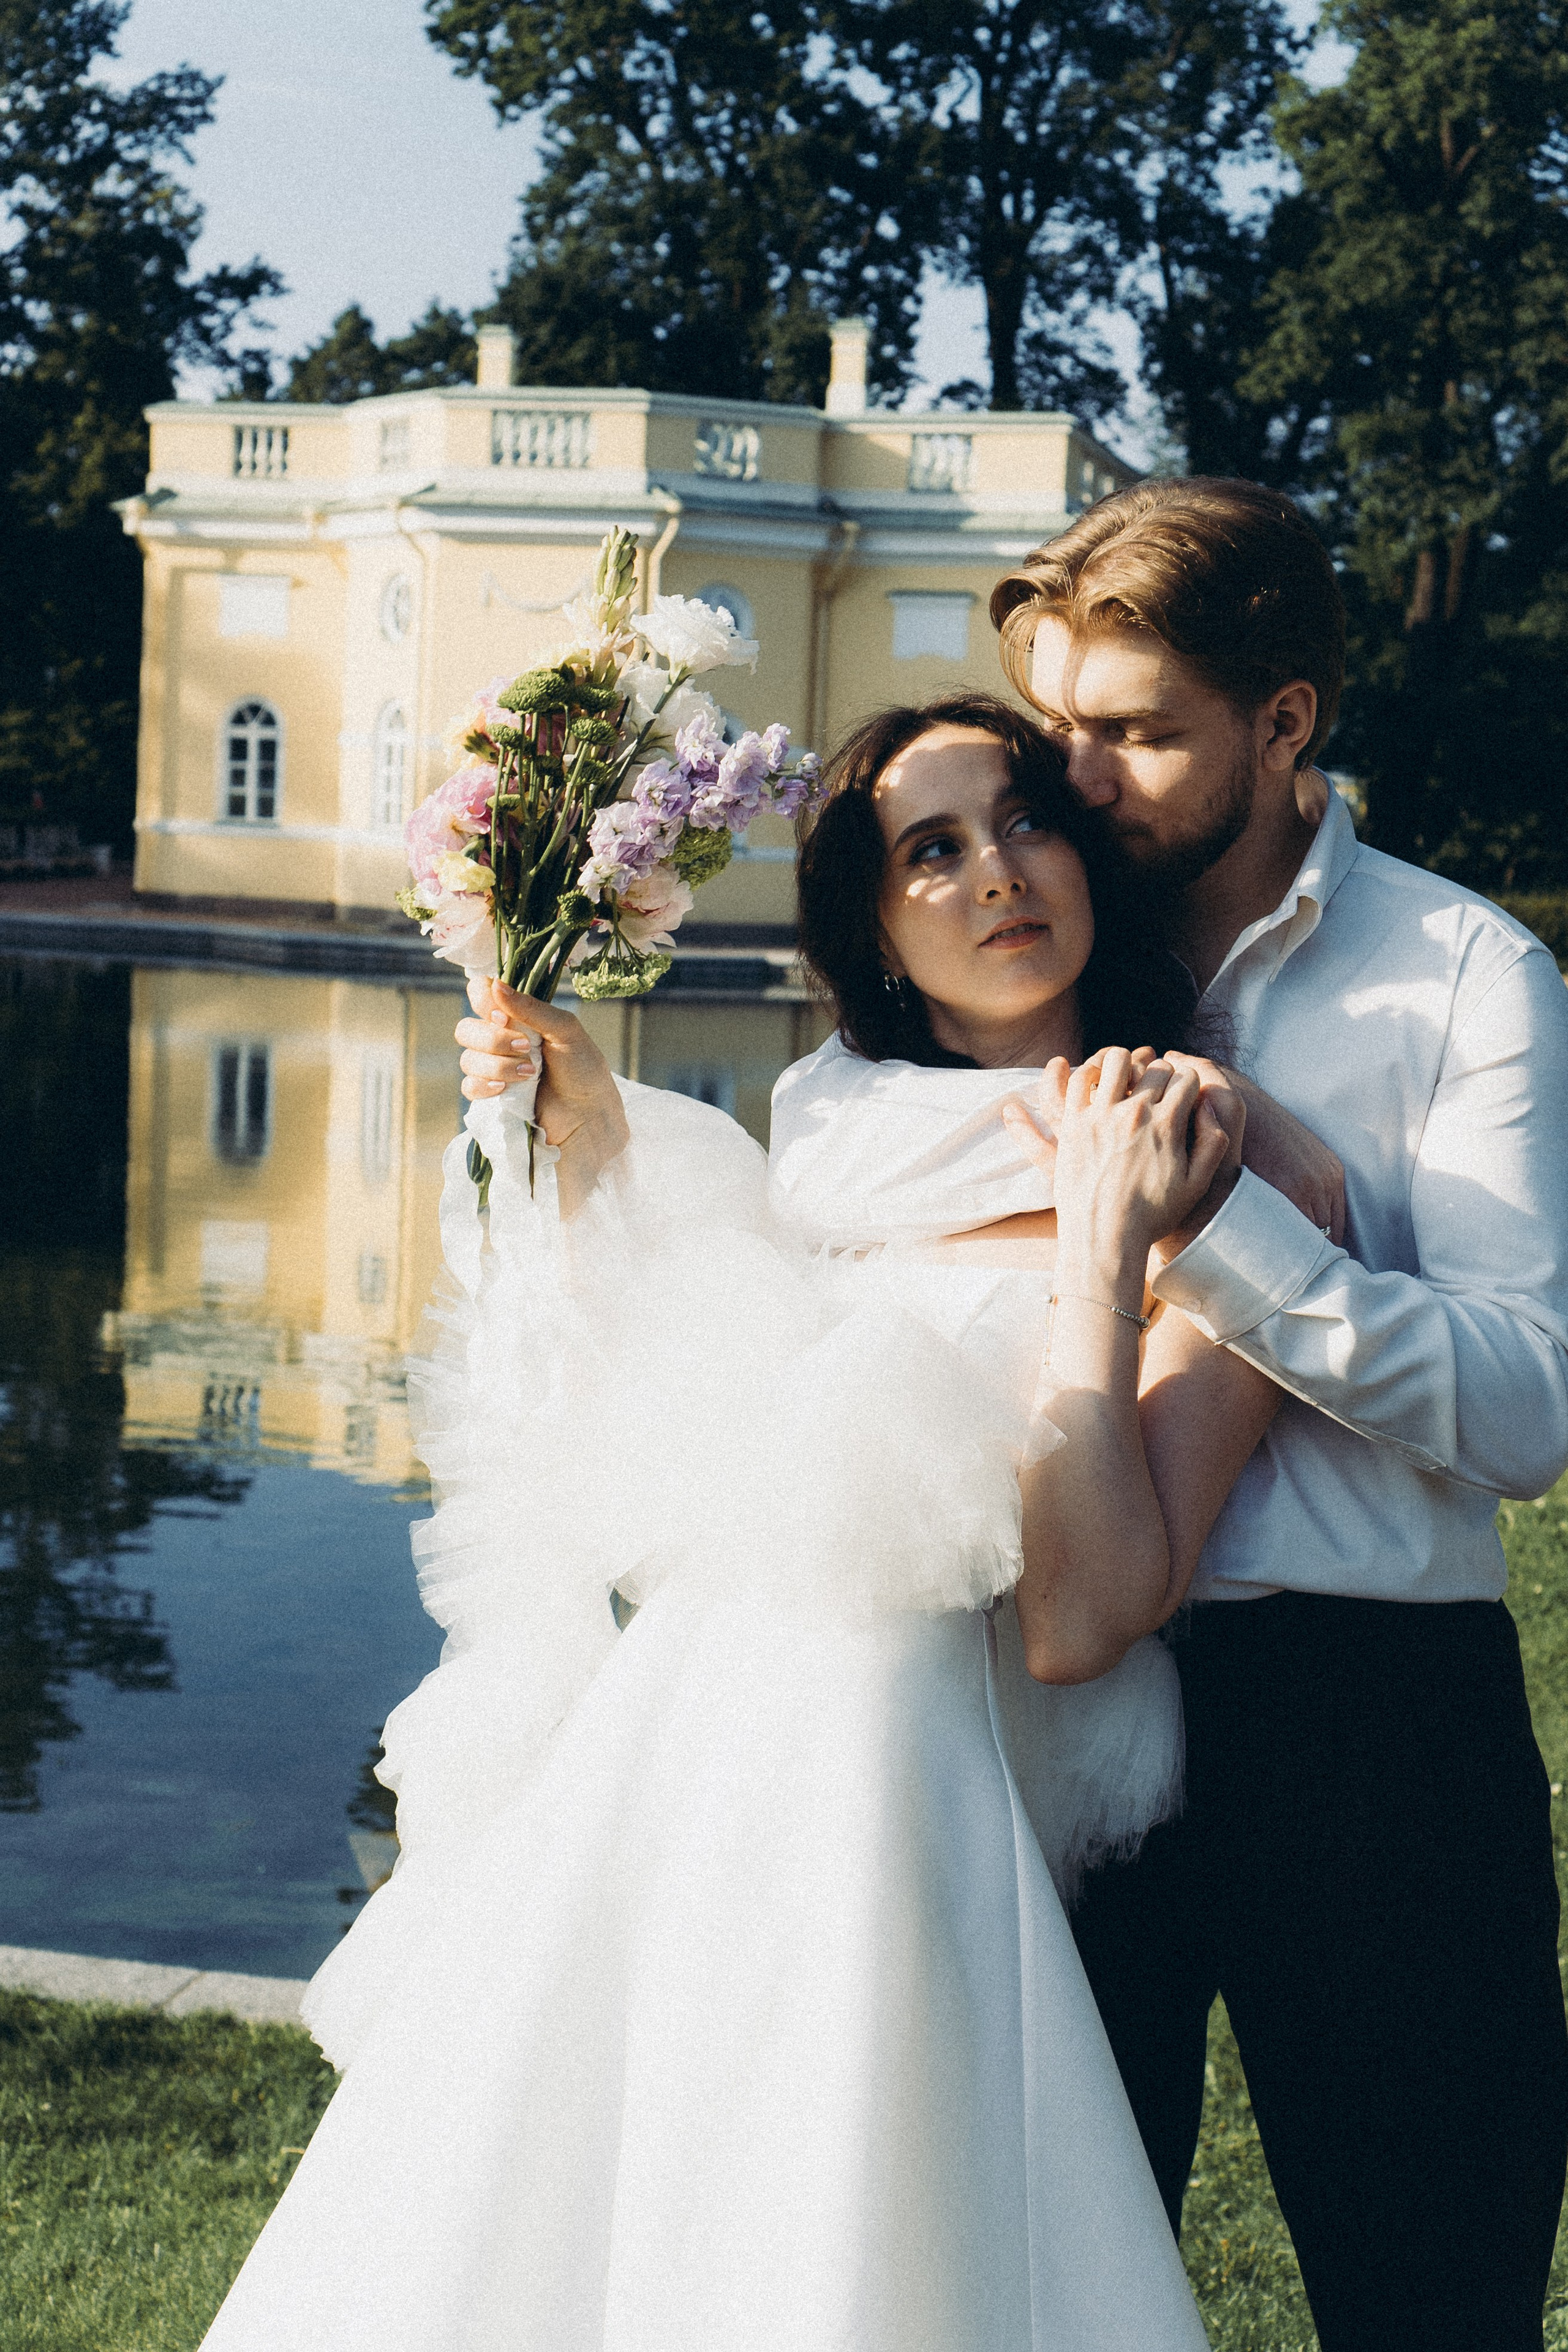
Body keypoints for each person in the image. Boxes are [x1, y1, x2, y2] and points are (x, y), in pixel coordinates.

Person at [195, 695, 1286, 2351]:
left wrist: (1102, 1250)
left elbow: (1085, 1617)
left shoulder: (1202, 1154)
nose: (998, 873)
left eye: (1026, 821)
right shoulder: (825, 1152)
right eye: (933, 852)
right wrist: (588, 1135)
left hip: (916, 1789)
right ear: (876, 934)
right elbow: (675, 1439)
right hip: (697, 1754)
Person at [992, 477, 1568, 2352]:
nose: (1077, 782)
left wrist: (1222, 1227)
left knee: (1431, 2304)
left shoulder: (1470, 975)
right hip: (1065, 1717)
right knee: (1042, 2301)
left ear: (1286, 720)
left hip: (1377, 1727)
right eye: (1057, 729)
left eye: (1138, 735)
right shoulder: (1019, 962)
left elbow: (1527, 1408)